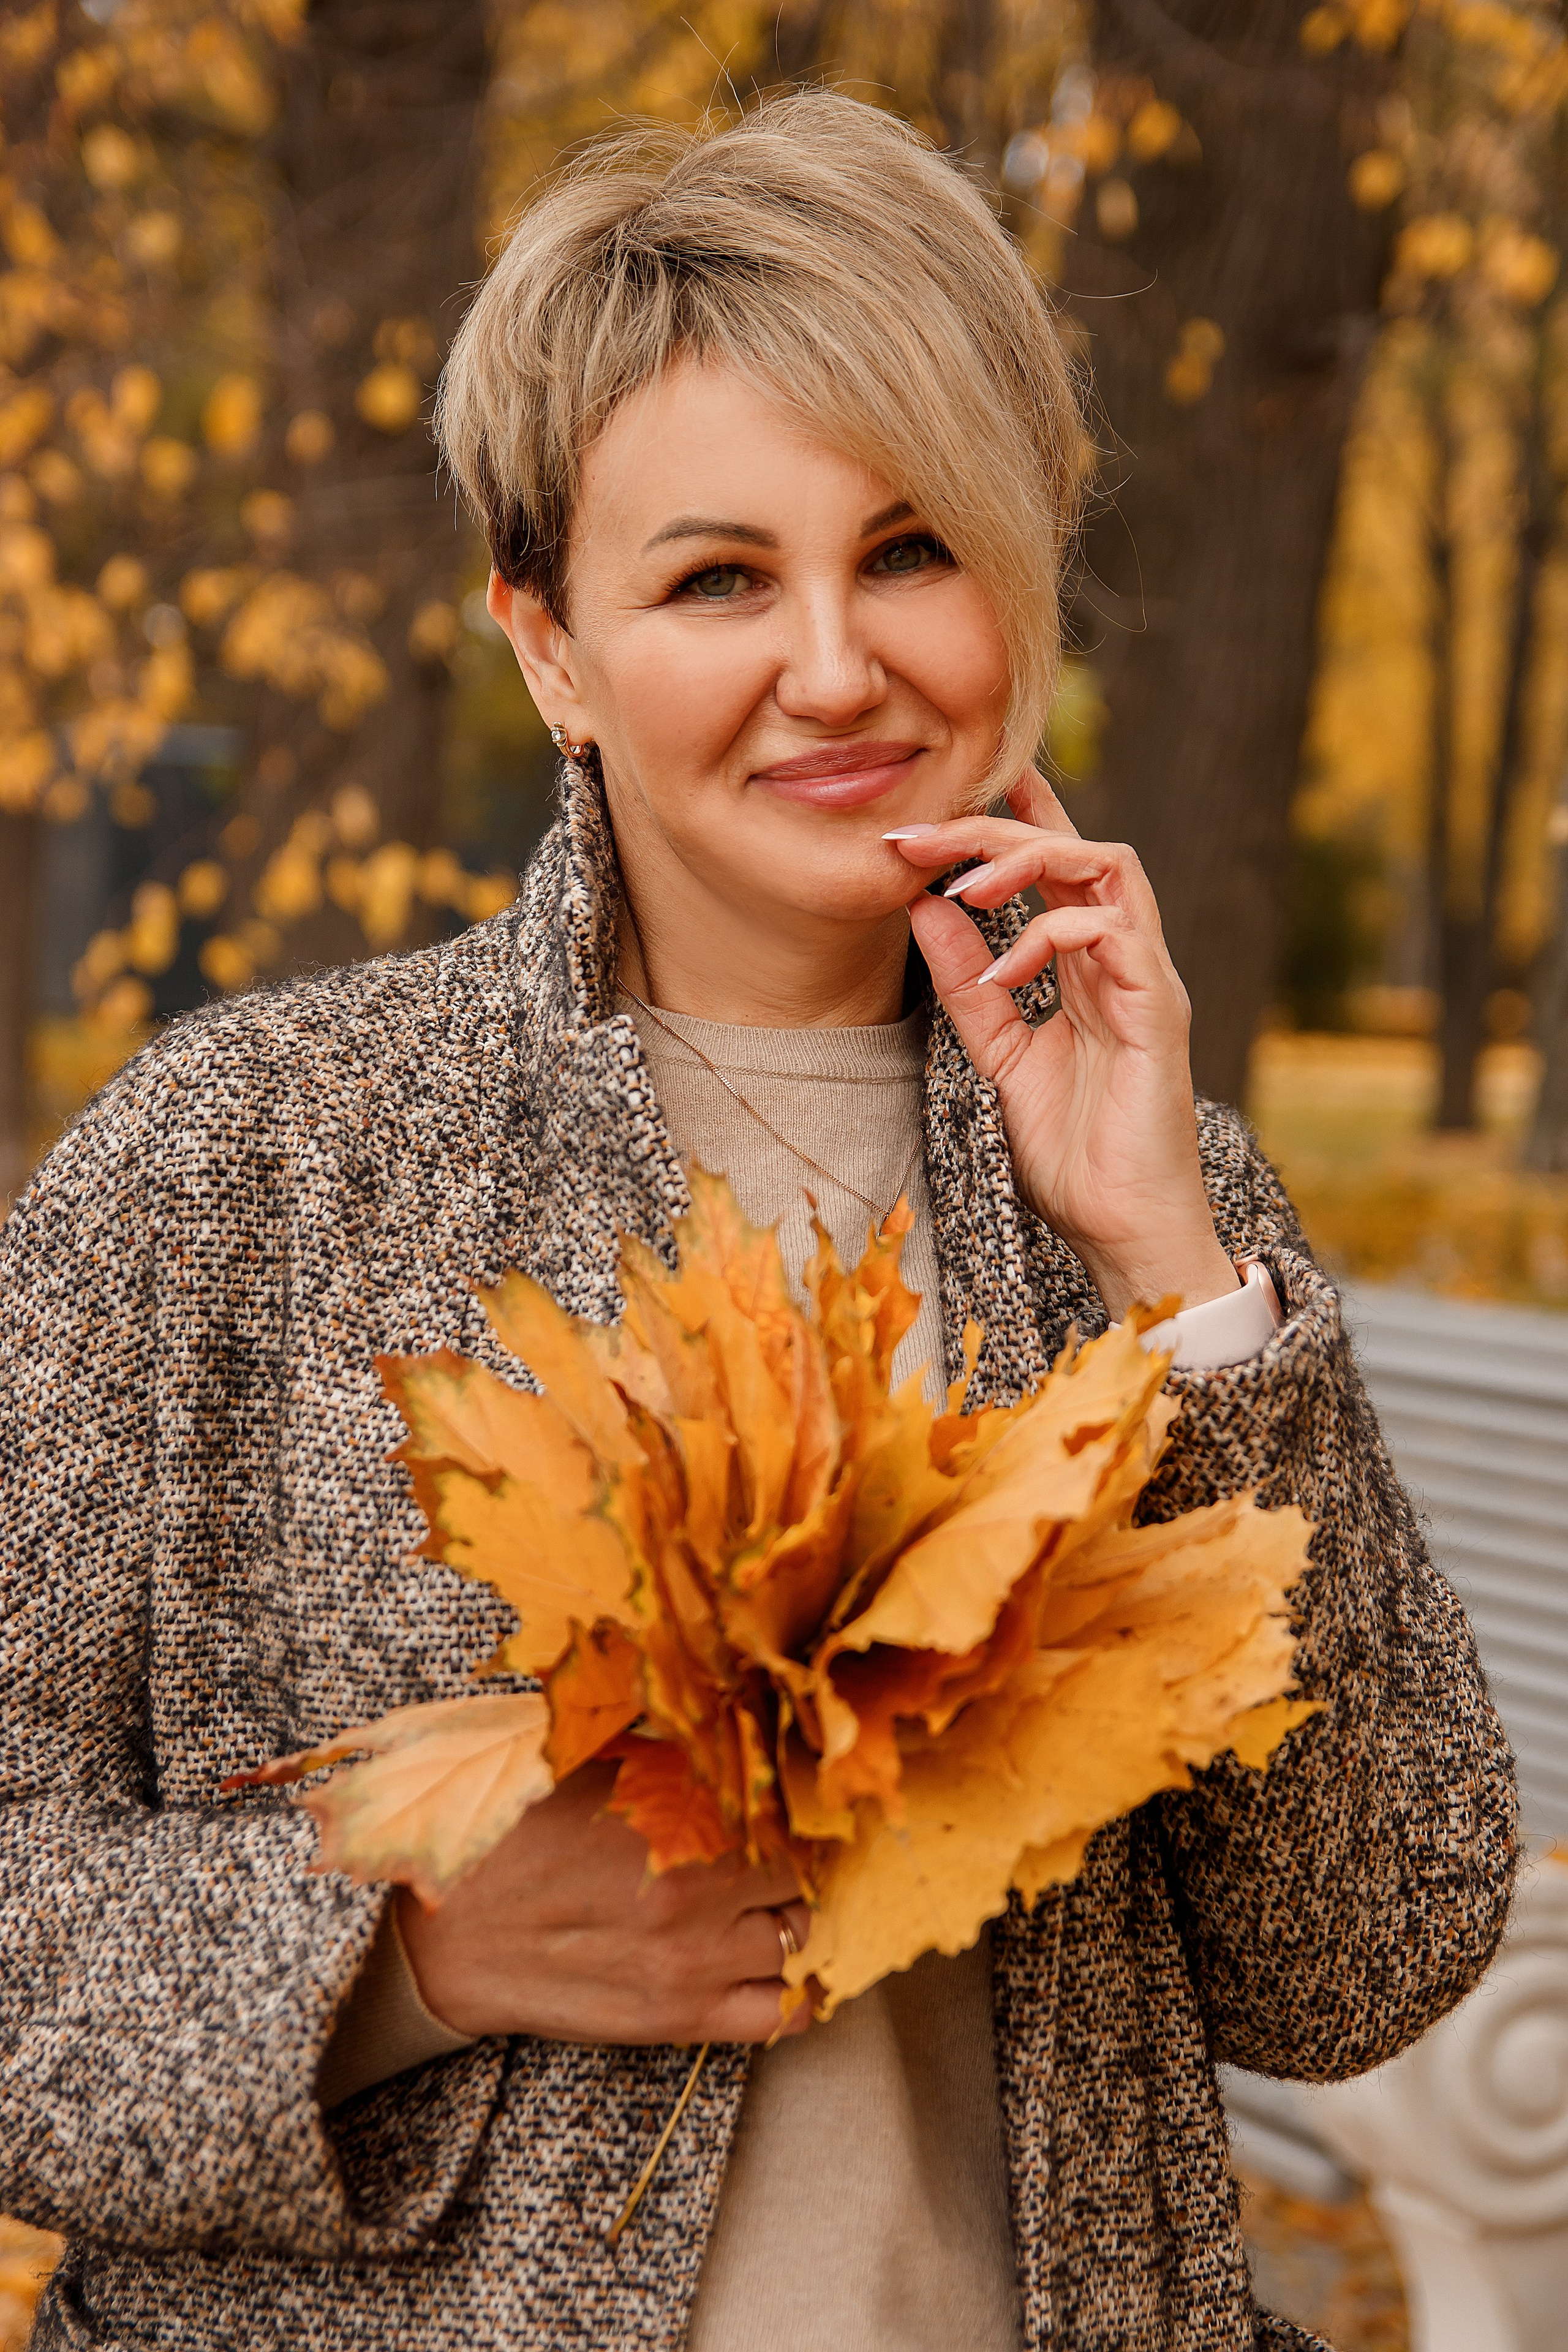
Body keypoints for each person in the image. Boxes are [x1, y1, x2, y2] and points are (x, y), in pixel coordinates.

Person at [1, 89, 1514, 2352]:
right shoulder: (246, 1173)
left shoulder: (1138, 1203)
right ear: (548, 646)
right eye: (718, 577)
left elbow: (1364, 1963)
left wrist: (1176, 1272)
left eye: (912, 550)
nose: (837, 669)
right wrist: (411, 1946)